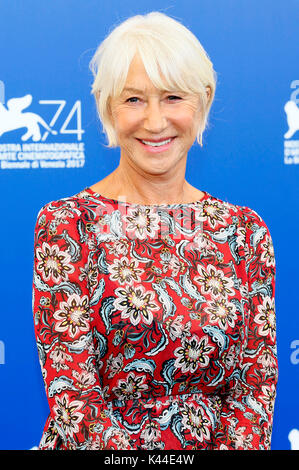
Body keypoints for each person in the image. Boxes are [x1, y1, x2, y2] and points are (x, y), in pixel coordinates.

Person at [32, 11, 278, 450]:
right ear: (107, 107)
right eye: (133, 100)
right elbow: (74, 397)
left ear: (202, 102)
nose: (154, 121)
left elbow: (255, 389)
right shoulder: (68, 224)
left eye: (172, 97)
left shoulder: (245, 232)